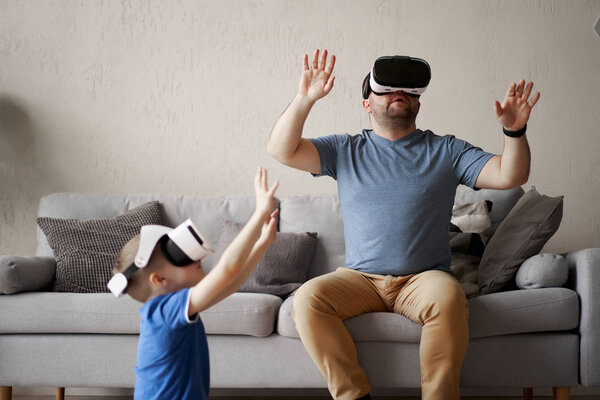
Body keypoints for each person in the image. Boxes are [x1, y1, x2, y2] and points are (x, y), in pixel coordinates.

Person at [267, 49, 540, 400]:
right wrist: (304, 99)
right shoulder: (344, 150)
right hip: (360, 278)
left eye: (409, 91)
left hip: (424, 278)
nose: (399, 94)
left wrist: (514, 131)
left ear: (418, 103)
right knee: (306, 300)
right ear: (367, 104)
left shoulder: (447, 150)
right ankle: (353, 395)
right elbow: (280, 149)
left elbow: (511, 174)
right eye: (386, 89)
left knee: (449, 299)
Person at [111, 167, 279, 400]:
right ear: (159, 280)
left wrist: (263, 243)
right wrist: (259, 213)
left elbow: (230, 284)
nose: (195, 259)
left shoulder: (171, 309)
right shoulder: (161, 313)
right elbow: (227, 270)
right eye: (178, 255)